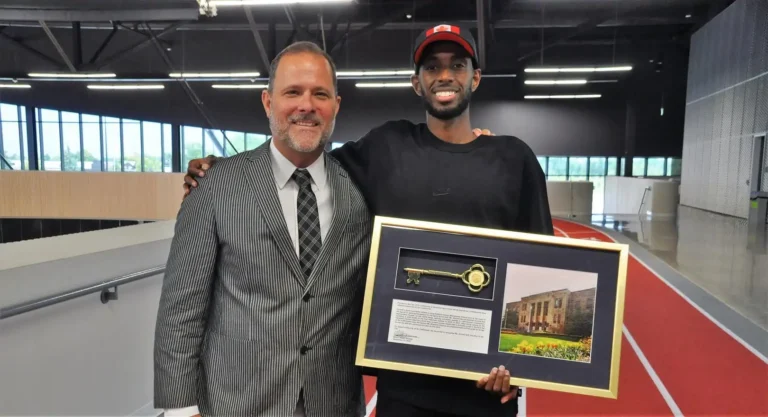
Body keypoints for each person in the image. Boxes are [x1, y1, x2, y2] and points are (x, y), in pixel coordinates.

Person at [182, 24, 552, 417]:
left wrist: (521, 367)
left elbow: (541, 268)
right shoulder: (386, 148)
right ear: (416, 82)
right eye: (432, 67)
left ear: (474, 77)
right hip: (404, 390)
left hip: (484, 391)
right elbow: (303, 163)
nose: (444, 76)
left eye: (457, 65)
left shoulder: (515, 160)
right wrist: (222, 170)